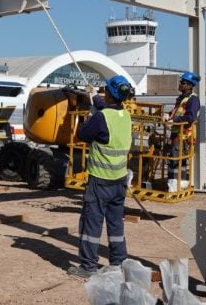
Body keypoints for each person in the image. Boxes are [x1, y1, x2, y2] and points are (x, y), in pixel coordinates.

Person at [67, 75, 133, 278]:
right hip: (119, 181)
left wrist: (92, 111)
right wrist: (94, 97)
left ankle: (88, 266)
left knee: (91, 223)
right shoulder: (125, 115)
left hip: (100, 180)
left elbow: (83, 134)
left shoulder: (101, 117)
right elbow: (108, 110)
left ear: (110, 93)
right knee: (115, 224)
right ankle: (118, 263)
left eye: (105, 90)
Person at [164, 71, 201, 192]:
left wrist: (174, 120)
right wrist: (168, 116)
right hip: (176, 133)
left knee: (177, 159)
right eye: (181, 82)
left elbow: (191, 117)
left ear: (190, 86)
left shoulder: (193, 99)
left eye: (183, 83)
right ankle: (177, 183)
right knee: (176, 158)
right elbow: (177, 112)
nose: (180, 84)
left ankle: (175, 185)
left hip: (184, 135)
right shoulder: (181, 99)